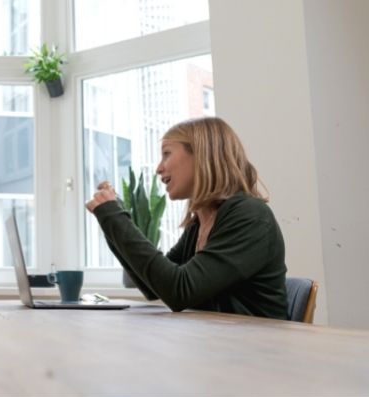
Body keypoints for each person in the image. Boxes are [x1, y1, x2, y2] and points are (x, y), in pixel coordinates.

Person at [85, 117, 288, 319]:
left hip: (258, 347)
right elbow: (153, 287)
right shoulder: (200, 222)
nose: (158, 168)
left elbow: (180, 291)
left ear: (201, 155)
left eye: (167, 154)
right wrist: (109, 220)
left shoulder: (249, 216)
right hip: (219, 343)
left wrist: (115, 218)